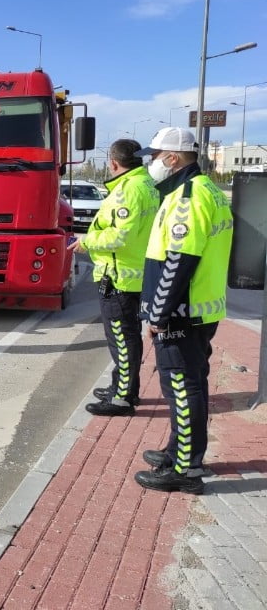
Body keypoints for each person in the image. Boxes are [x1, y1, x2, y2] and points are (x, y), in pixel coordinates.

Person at [132, 128, 233, 494]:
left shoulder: (187, 199)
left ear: (173, 158)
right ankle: (180, 451)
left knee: (181, 387)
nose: (150, 163)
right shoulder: (207, 190)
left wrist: (157, 314)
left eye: (155, 156)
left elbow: (178, 262)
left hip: (181, 313)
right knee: (192, 384)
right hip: (199, 310)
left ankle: (186, 469)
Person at [70, 139, 159, 417]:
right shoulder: (146, 184)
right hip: (134, 272)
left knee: (122, 338)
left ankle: (122, 397)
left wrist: (87, 241)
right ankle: (123, 387)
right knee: (127, 336)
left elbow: (119, 236)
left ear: (113, 162)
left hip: (119, 276)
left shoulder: (128, 191)